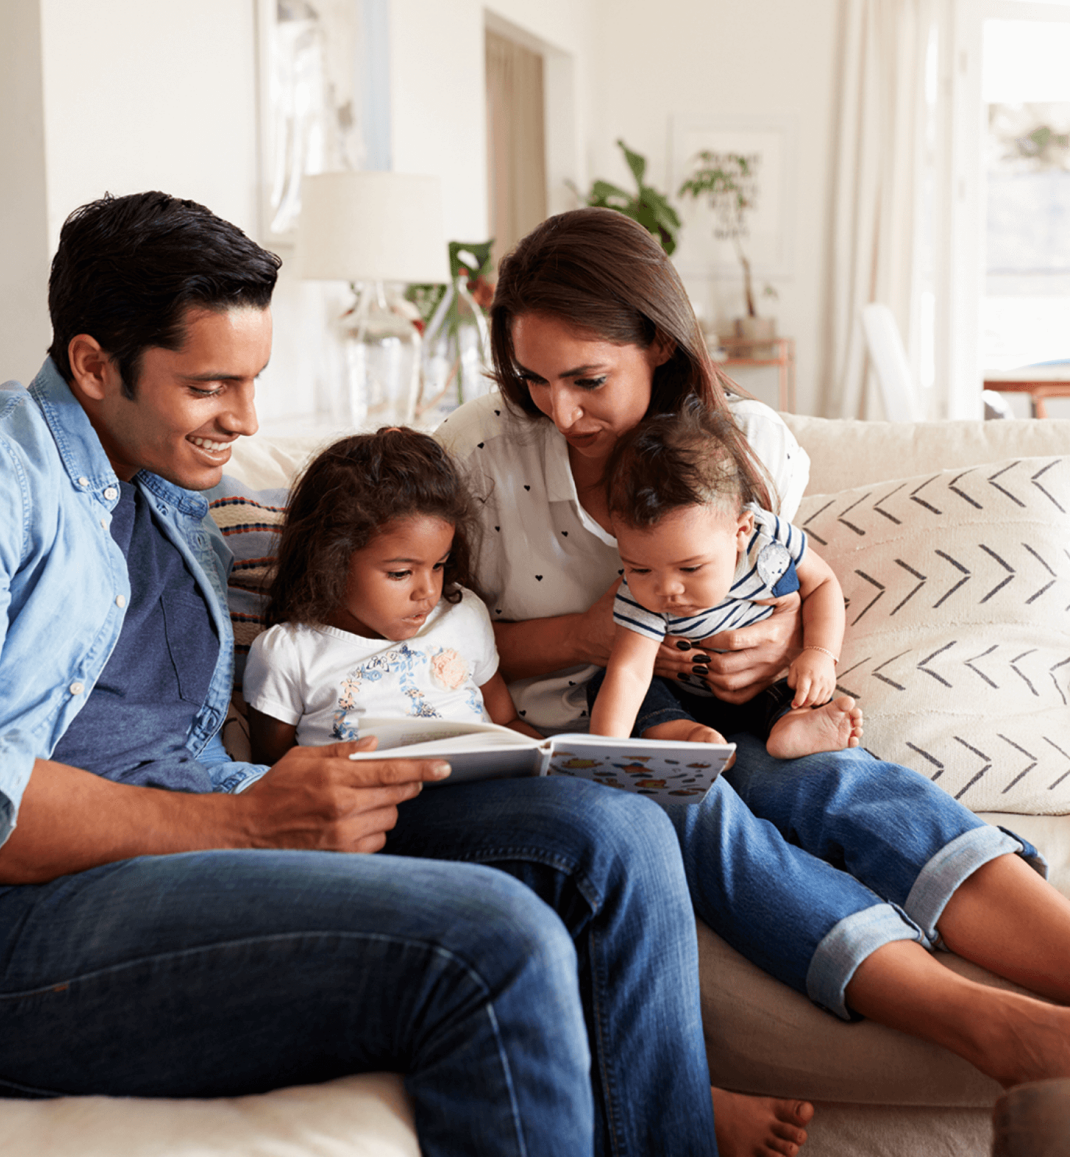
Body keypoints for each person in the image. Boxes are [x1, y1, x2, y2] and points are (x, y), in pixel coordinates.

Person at [0, 192, 814, 1157]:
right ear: (96, 365)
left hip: (210, 829)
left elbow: (352, 569)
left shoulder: (184, 502)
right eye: (209, 385)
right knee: (490, 940)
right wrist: (242, 822)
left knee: (612, 830)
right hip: (7, 923)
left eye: (253, 382)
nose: (243, 418)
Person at [437, 205, 1070, 1090]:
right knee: (689, 809)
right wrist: (600, 633)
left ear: (657, 343)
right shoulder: (477, 455)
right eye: (534, 380)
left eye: (585, 379)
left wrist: (774, 648)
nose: (559, 410)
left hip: (725, 701)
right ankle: (985, 1023)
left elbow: (777, 585)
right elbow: (430, 642)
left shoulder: (748, 442)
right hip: (589, 731)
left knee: (839, 783)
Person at [589, 398, 863, 760]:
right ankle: (681, 732)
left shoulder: (765, 545)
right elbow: (630, 673)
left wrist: (820, 653)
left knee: (797, 687)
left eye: (690, 568)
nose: (667, 589)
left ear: (741, 531)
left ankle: (792, 727)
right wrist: (604, 758)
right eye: (640, 569)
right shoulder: (639, 595)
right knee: (609, 685)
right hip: (685, 698)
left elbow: (822, 584)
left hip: (764, 685)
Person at [245, 429, 530, 763]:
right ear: (331, 561)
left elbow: (506, 721)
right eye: (400, 573)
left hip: (489, 789)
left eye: (439, 565)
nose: (428, 592)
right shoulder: (288, 654)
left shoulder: (462, 613)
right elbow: (274, 772)